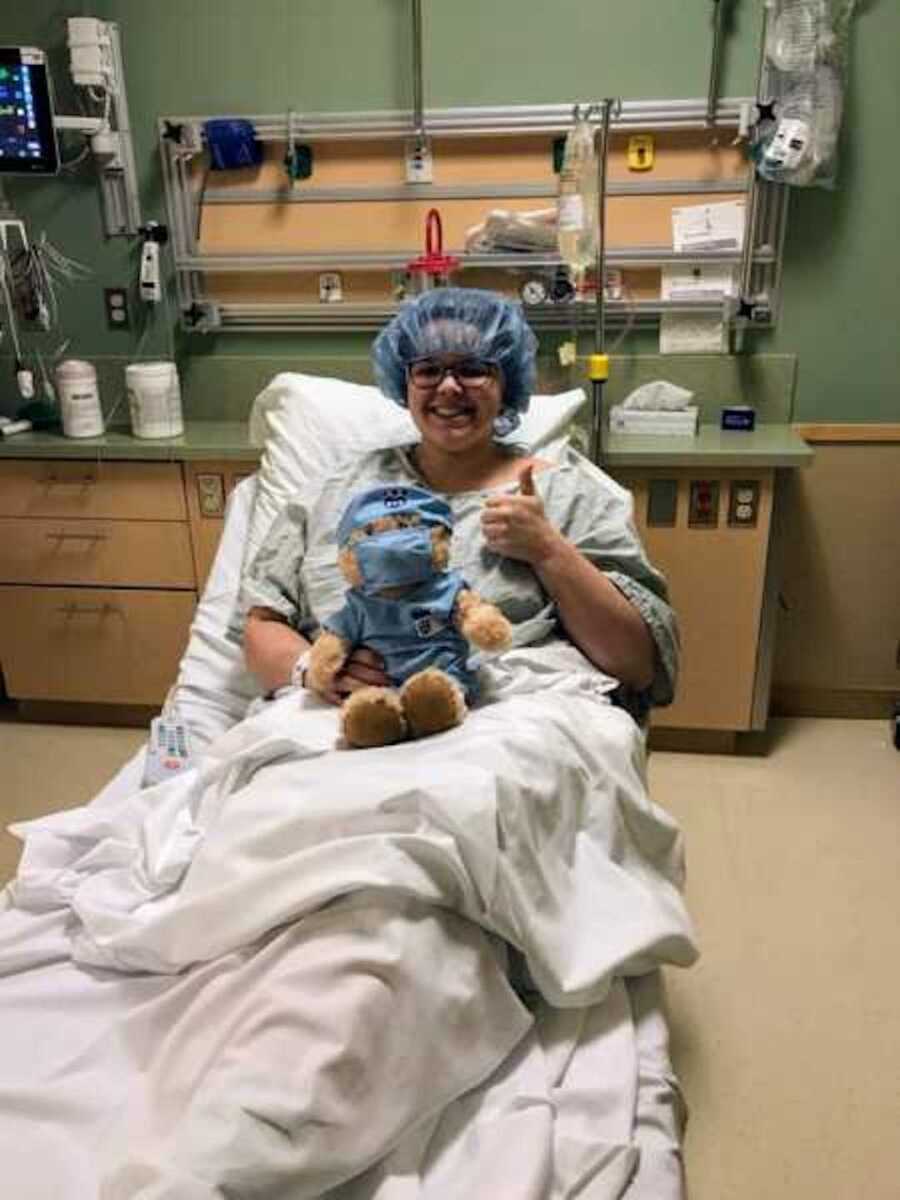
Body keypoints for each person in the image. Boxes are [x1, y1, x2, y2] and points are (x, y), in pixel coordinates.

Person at [237, 287, 678, 720]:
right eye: (428, 369)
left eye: (473, 368)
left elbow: (634, 664)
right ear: (403, 381)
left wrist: (548, 550)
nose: (448, 387)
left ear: (506, 383)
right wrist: (311, 670)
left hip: (510, 723)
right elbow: (261, 620)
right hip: (340, 722)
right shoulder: (336, 492)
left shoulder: (568, 494)